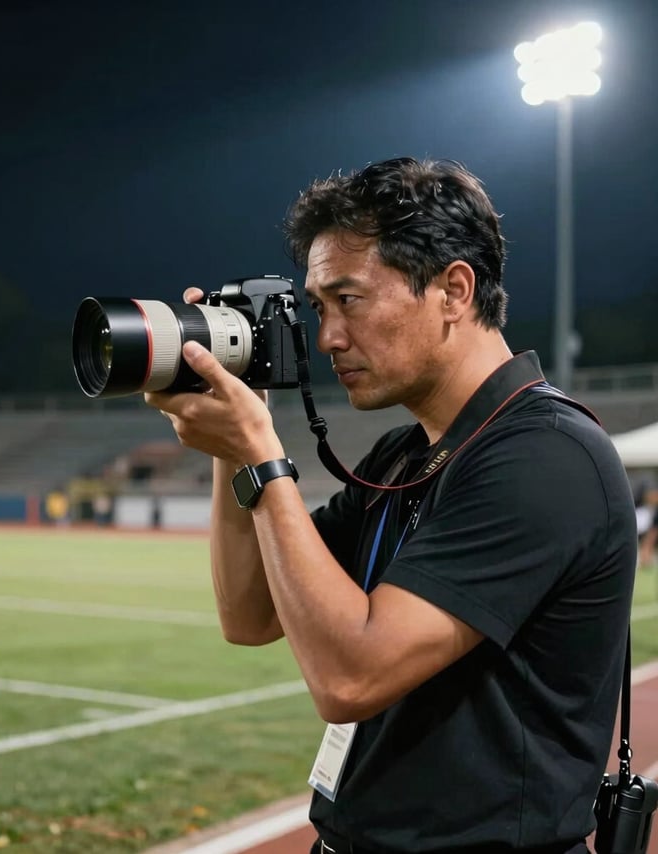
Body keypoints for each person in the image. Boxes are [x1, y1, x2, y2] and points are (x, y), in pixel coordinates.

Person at [144, 157, 637, 854]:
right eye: (318, 307)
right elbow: (250, 616)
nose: (328, 339)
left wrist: (260, 450)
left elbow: (351, 677)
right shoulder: (405, 456)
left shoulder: (546, 457)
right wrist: (234, 437)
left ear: (454, 290)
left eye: (350, 299)